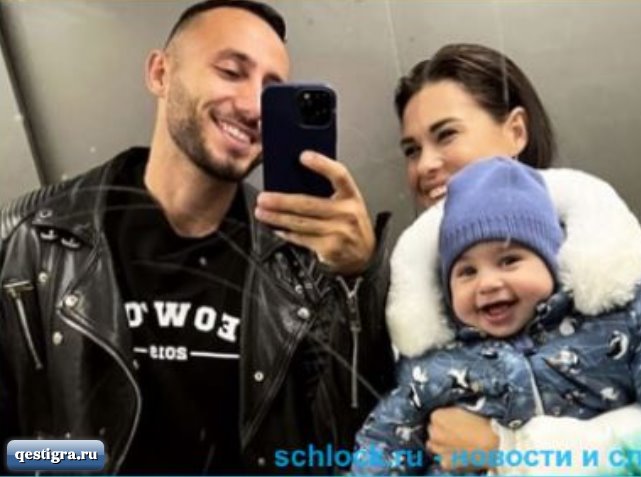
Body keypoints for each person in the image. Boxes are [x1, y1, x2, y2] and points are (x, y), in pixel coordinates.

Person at [0, 1, 394, 474]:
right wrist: (84, 462)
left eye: (271, 92)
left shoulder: (301, 263)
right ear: (160, 73)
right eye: (231, 72)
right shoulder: (34, 238)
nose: (253, 107)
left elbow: (346, 449)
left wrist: (357, 282)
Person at [368, 43, 641, 476]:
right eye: (412, 150)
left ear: (516, 131)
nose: (425, 165)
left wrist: (507, 449)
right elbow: (386, 441)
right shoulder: (418, 318)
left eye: (446, 134)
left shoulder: (625, 284)